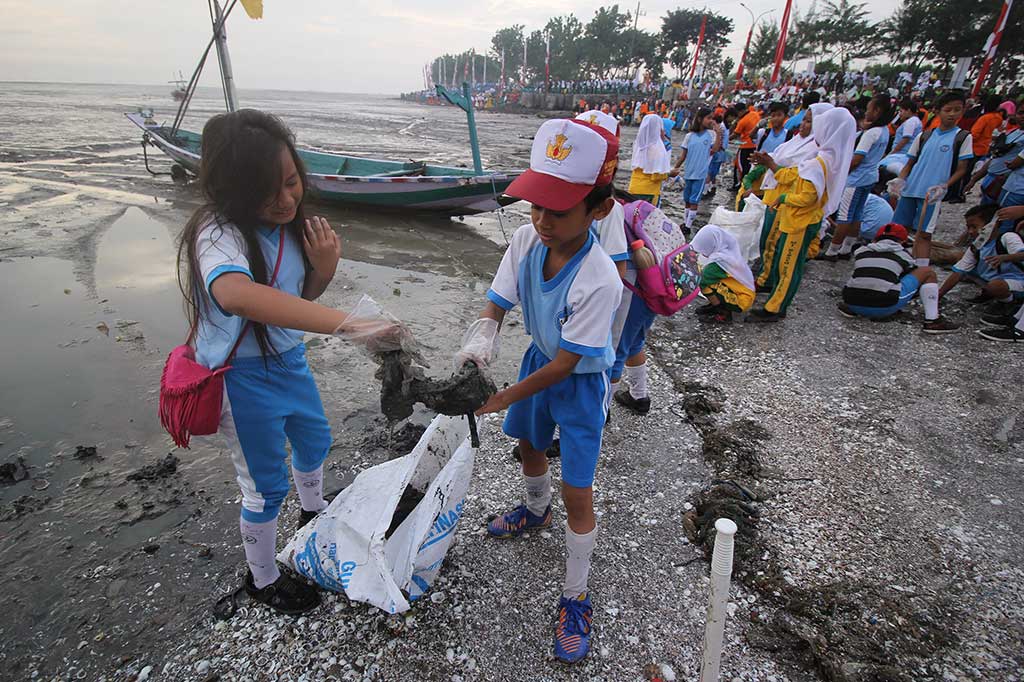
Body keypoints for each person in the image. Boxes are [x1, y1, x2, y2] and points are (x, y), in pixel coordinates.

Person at [178, 110, 404, 614]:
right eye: (266, 191)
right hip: (242, 379)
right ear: (232, 192)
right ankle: (262, 579)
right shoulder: (217, 234)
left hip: (288, 361)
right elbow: (237, 295)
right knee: (262, 485)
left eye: (291, 182)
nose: (285, 200)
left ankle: (313, 510)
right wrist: (350, 323)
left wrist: (324, 270)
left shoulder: (293, 227)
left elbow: (294, 300)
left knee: (314, 439)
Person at [462, 118, 621, 664]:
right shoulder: (527, 241)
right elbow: (497, 303)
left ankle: (576, 596)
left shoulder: (600, 275)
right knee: (529, 446)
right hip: (538, 362)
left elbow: (566, 364)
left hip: (574, 383)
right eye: (536, 206)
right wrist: (481, 341)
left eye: (559, 209)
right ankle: (535, 509)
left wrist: (502, 395)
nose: (542, 220)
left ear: (598, 208)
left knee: (579, 489)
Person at [750, 106, 856, 321]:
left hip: (799, 222)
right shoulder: (826, 158)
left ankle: (775, 308)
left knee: (788, 265)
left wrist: (783, 199)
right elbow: (794, 178)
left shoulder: (820, 162)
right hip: (796, 220)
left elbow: (808, 197)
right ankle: (775, 300)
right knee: (784, 261)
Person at [892, 91, 973, 266]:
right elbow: (910, 163)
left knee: (924, 234)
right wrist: (900, 180)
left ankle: (920, 268)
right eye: (948, 110)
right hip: (911, 188)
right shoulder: (924, 136)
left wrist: (944, 186)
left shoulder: (963, 137)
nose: (952, 114)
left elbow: (962, 169)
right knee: (898, 229)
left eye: (957, 110)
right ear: (937, 111)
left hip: (932, 193)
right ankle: (895, 262)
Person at [752, 104, 824, 295]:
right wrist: (765, 159)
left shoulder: (814, 149)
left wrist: (771, 164)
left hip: (787, 202)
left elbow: (794, 177)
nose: (803, 125)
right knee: (766, 239)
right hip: (775, 196)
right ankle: (766, 276)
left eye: (809, 121)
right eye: (804, 120)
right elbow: (780, 158)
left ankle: (768, 280)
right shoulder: (795, 141)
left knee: (773, 242)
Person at [838, 223, 959, 332]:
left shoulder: (860, 251)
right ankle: (932, 321)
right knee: (927, 272)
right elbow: (912, 275)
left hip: (852, 302)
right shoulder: (903, 255)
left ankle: (856, 307)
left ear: (876, 239)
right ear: (903, 241)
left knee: (865, 273)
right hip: (884, 306)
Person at [821, 94, 893, 261]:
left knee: (845, 214)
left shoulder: (870, 134)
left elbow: (857, 159)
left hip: (856, 179)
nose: (866, 113)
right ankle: (846, 248)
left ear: (877, 111)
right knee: (857, 214)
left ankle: (832, 250)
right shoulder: (883, 131)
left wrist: (840, 174)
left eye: (868, 109)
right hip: (869, 177)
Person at [938, 204, 1024, 304]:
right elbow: (958, 272)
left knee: (995, 286)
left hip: (1018, 280)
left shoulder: (1008, 238)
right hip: (996, 279)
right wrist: (939, 294)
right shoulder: (977, 246)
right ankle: (992, 293)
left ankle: (1010, 303)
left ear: (992, 225)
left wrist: (1006, 257)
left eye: (974, 227)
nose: (970, 231)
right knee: (965, 269)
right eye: (968, 227)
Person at [691, 225, 755, 323]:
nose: (702, 253)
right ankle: (717, 303)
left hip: (741, 300)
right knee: (710, 279)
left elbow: (702, 278)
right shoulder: (727, 254)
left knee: (703, 283)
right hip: (744, 293)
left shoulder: (719, 262)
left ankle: (722, 312)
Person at [669, 108, 716, 232]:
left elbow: (714, 150)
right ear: (700, 119)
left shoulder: (711, 135)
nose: (710, 121)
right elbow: (683, 155)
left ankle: (688, 226)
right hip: (689, 172)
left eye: (711, 118)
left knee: (694, 200)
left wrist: (719, 132)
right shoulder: (689, 136)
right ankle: (685, 222)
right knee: (687, 200)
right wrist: (675, 168)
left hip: (700, 174)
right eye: (708, 118)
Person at [628, 114, 673, 206]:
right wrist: (670, 174)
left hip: (634, 188)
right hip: (649, 192)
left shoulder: (638, 145)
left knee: (634, 216)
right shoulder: (658, 149)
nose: (664, 132)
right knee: (647, 218)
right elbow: (656, 176)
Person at [731, 101, 761, 190]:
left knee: (739, 166)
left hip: (745, 146)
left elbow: (735, 134)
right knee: (749, 166)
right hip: (755, 145)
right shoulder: (755, 114)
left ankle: (739, 185)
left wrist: (725, 139)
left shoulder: (742, 121)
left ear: (739, 111)